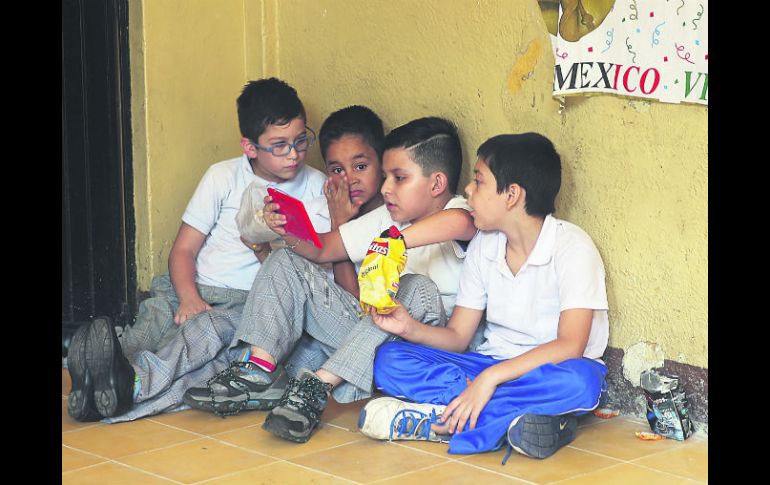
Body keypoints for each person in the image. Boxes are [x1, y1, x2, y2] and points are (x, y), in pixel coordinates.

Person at [65, 104, 387, 424]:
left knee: (210, 358)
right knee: (178, 332)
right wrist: (262, 247)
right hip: (264, 318)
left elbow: (348, 303)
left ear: (381, 163)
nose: (348, 181)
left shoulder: (382, 219)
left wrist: (339, 226)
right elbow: (282, 280)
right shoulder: (316, 204)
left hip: (310, 330)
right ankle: (111, 383)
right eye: (337, 170)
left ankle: (125, 388)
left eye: (360, 167)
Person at [183, 117, 478, 444]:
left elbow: (461, 222)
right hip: (372, 335)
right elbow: (323, 248)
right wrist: (285, 229)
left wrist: (397, 241)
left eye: (399, 178)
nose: (385, 189)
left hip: (422, 349)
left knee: (415, 286)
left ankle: (316, 386)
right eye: (385, 177)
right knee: (286, 259)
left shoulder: (460, 211)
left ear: (437, 184)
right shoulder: (387, 218)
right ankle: (258, 370)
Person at [358, 133, 609, 463]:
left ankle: (441, 419)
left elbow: (569, 346)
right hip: (485, 364)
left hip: (549, 369)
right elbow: (459, 337)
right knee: (388, 359)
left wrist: (489, 380)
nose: (468, 191)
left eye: (479, 181)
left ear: (512, 195)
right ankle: (514, 420)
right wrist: (409, 328)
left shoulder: (572, 247)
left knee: (582, 382)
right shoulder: (485, 245)